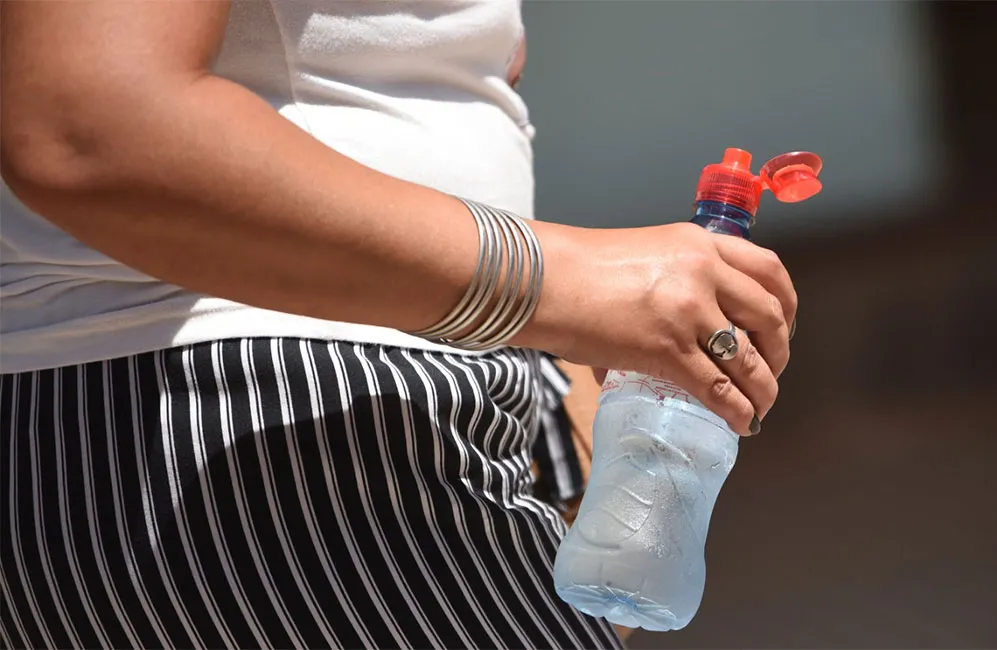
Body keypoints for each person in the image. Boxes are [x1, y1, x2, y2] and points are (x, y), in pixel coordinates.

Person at [0, 1, 797, 648]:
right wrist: (567, 286)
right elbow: (85, 121)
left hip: (274, 414)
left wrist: (547, 372)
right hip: (261, 422)